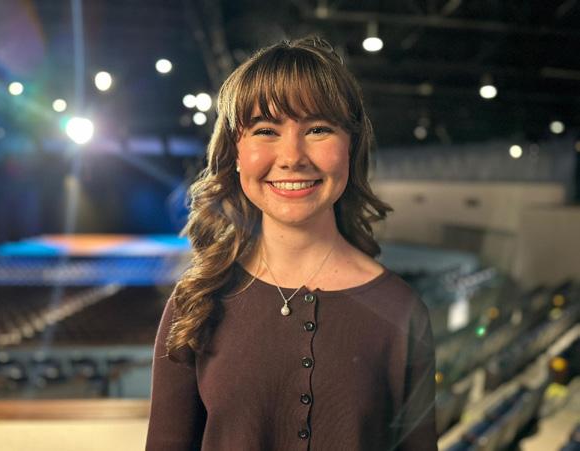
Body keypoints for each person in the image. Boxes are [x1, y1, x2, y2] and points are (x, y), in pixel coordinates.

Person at [146, 36, 437, 451]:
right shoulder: (195, 303)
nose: (292, 156)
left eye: (318, 129)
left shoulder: (401, 310)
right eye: (265, 130)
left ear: (351, 146)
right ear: (235, 153)